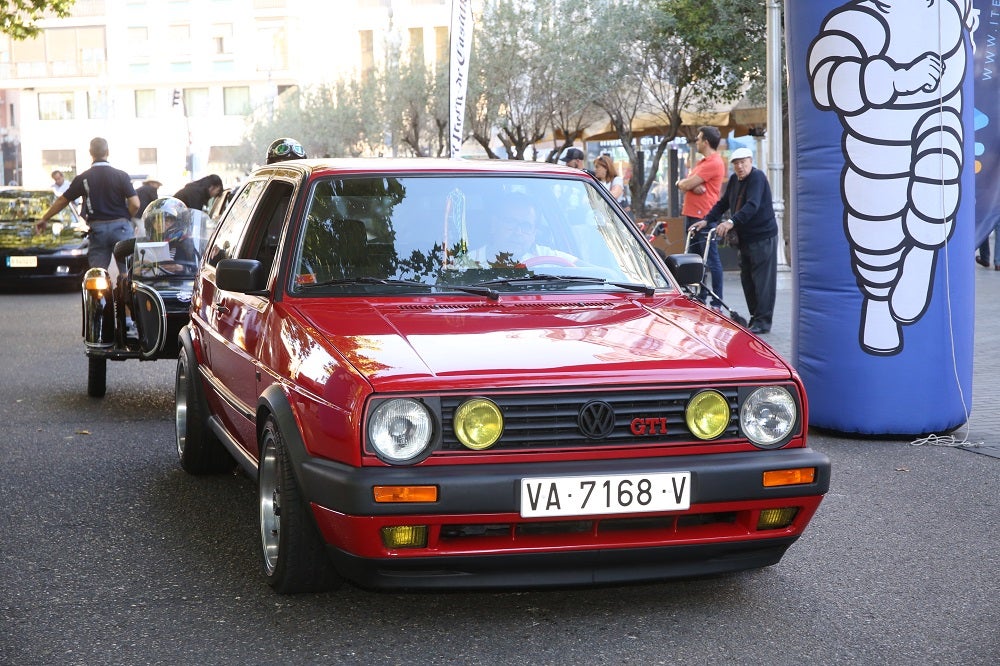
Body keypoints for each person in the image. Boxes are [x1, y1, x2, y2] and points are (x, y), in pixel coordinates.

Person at [691, 147, 777, 335]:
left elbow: (752, 206)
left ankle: (763, 321)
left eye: (743, 162)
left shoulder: (757, 177)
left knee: (762, 280)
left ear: (750, 161)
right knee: (747, 280)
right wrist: (706, 219)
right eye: (736, 163)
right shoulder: (734, 181)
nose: (739, 166)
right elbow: (723, 203)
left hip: (762, 236)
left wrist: (731, 222)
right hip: (745, 239)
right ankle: (755, 317)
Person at [36, 137, 139, 271]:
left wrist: (44, 218)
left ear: (90, 153)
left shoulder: (83, 178)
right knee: (128, 271)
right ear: (107, 152)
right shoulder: (121, 176)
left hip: (97, 230)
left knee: (97, 274)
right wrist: (125, 217)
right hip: (121, 228)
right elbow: (135, 204)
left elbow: (63, 200)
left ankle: (100, 288)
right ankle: (125, 283)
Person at [676, 126, 726, 307]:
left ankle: (716, 301)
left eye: (698, 139)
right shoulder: (702, 162)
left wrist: (687, 184)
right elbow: (684, 183)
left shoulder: (714, 162)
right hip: (692, 214)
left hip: (704, 216)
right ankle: (701, 297)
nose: (696, 141)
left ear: (706, 142)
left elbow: (687, 183)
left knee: (711, 260)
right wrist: (685, 184)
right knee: (697, 260)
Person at [469, 193, 577, 267]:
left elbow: (589, 270)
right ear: (494, 225)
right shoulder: (466, 264)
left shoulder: (546, 257)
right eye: (510, 222)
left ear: (534, 233)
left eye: (526, 226)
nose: (518, 232)